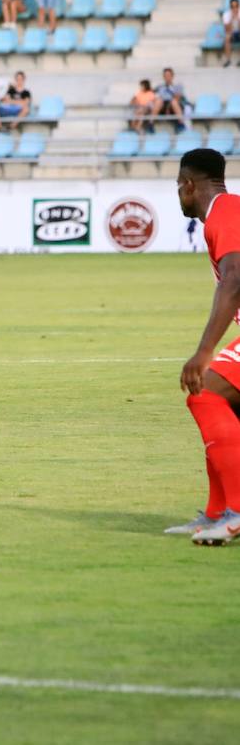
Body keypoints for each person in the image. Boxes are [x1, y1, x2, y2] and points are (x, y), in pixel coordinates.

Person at [173, 148, 240, 545]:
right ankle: (217, 513)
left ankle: (235, 513)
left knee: (205, 394)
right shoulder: (228, 210)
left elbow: (234, 279)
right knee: (226, 404)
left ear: (188, 184)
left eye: (177, 187)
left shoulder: (225, 213)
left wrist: (204, 351)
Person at [222, 0, 240, 67]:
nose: (234, 8)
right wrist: (231, 19)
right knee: (227, 38)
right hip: (231, 33)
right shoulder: (226, 15)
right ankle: (228, 60)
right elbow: (227, 30)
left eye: (236, 6)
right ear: (230, 7)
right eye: (232, 6)